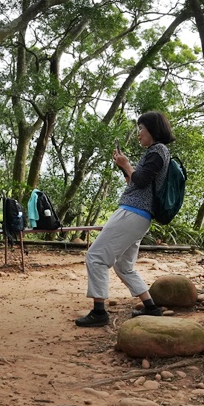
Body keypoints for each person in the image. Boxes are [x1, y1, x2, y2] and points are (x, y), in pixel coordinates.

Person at [75, 111, 175, 327]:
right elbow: (135, 182)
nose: (139, 134)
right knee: (123, 266)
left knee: (95, 257)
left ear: (152, 130)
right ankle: (151, 307)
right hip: (139, 216)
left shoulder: (158, 150)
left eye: (141, 129)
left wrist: (127, 164)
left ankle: (99, 312)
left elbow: (140, 180)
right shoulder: (155, 152)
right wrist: (124, 167)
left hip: (133, 212)